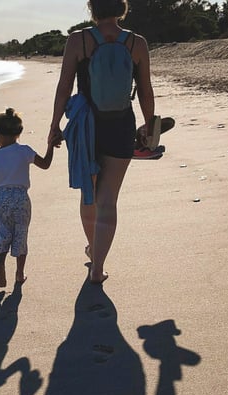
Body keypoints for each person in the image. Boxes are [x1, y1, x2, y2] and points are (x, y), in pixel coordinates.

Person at [48, 0, 155, 284]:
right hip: (121, 124)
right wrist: (150, 126)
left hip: (87, 125)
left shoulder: (78, 40)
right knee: (109, 200)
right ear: (121, 8)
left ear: (93, 9)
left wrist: (54, 124)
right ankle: (98, 267)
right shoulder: (137, 43)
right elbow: (145, 90)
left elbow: (64, 86)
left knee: (89, 194)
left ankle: (94, 254)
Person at [0, 108, 56, 287]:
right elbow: (46, 164)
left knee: (2, 234)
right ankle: (19, 273)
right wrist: (50, 146)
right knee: (21, 235)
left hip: (0, 199)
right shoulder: (25, 151)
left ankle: (1, 265)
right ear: (18, 133)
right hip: (21, 199)